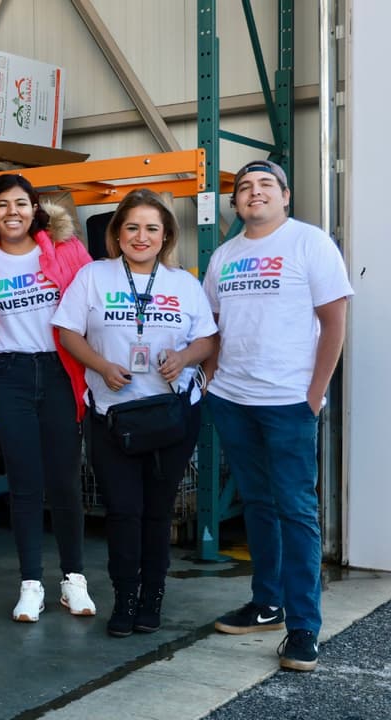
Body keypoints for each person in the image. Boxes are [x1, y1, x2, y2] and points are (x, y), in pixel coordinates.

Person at [204, 160, 353, 672]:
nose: (254, 193)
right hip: (233, 400)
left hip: (289, 403)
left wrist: (313, 394)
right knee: (258, 505)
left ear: (285, 196)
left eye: (266, 184)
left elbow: (334, 322)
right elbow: (215, 328)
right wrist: (210, 382)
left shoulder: (309, 243)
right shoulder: (224, 255)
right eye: (244, 188)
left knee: (296, 511)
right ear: (237, 202)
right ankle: (267, 603)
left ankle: (304, 626)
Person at [51, 188, 217, 637]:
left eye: (151, 229)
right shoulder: (93, 276)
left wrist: (184, 359)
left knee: (158, 512)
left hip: (171, 417)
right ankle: (125, 598)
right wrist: (101, 366)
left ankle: (152, 599)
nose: (141, 237)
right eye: (132, 228)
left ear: (165, 236)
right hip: (113, 417)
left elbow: (208, 339)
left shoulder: (183, 283)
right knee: (123, 511)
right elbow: (67, 331)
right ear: (117, 233)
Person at [0, 174, 95, 623]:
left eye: (21, 203)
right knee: (24, 482)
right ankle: (31, 584)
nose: (12, 212)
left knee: (63, 479)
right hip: (9, 374)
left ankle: (73, 579)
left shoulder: (65, 251)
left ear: (34, 208)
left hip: (59, 370)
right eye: (2, 205)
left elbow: (93, 308)